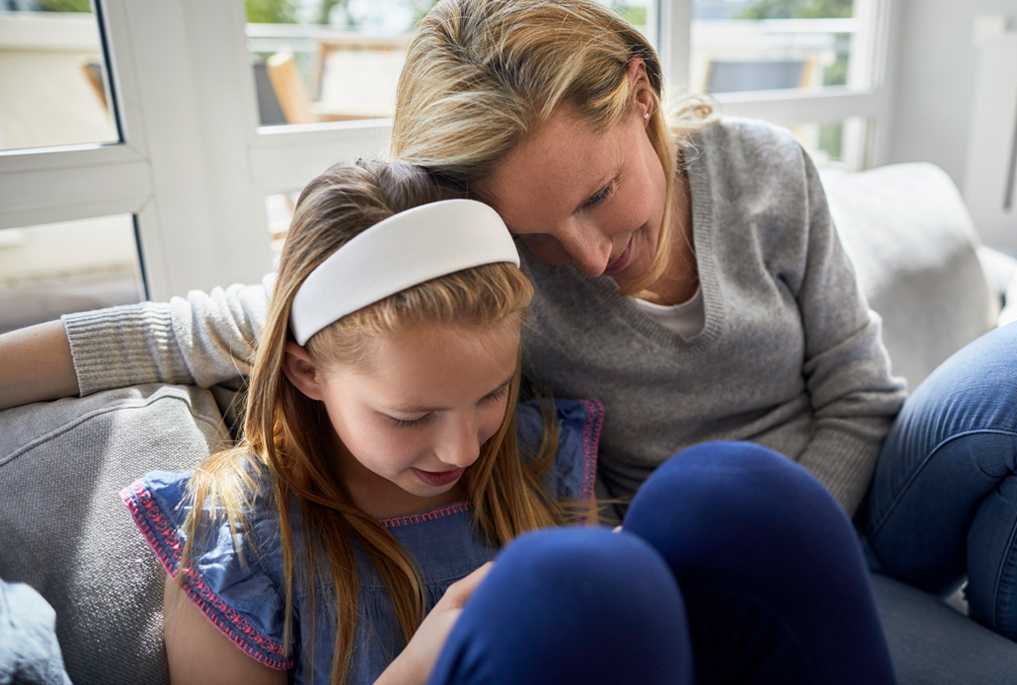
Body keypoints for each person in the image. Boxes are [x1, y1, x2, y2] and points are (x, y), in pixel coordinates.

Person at [0, 0, 1017, 680]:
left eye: (601, 194)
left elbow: (861, 394)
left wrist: (818, 547)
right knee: (699, 511)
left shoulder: (765, 172)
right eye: (531, 229)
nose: (586, 252)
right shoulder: (473, 281)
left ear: (642, 91)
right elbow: (219, 322)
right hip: (678, 550)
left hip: (827, 511)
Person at [117, 157, 895, 684]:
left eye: (491, 394)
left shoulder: (537, 459)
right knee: (568, 585)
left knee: (733, 492)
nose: (461, 446)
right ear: (306, 369)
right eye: (408, 414)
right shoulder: (239, 536)